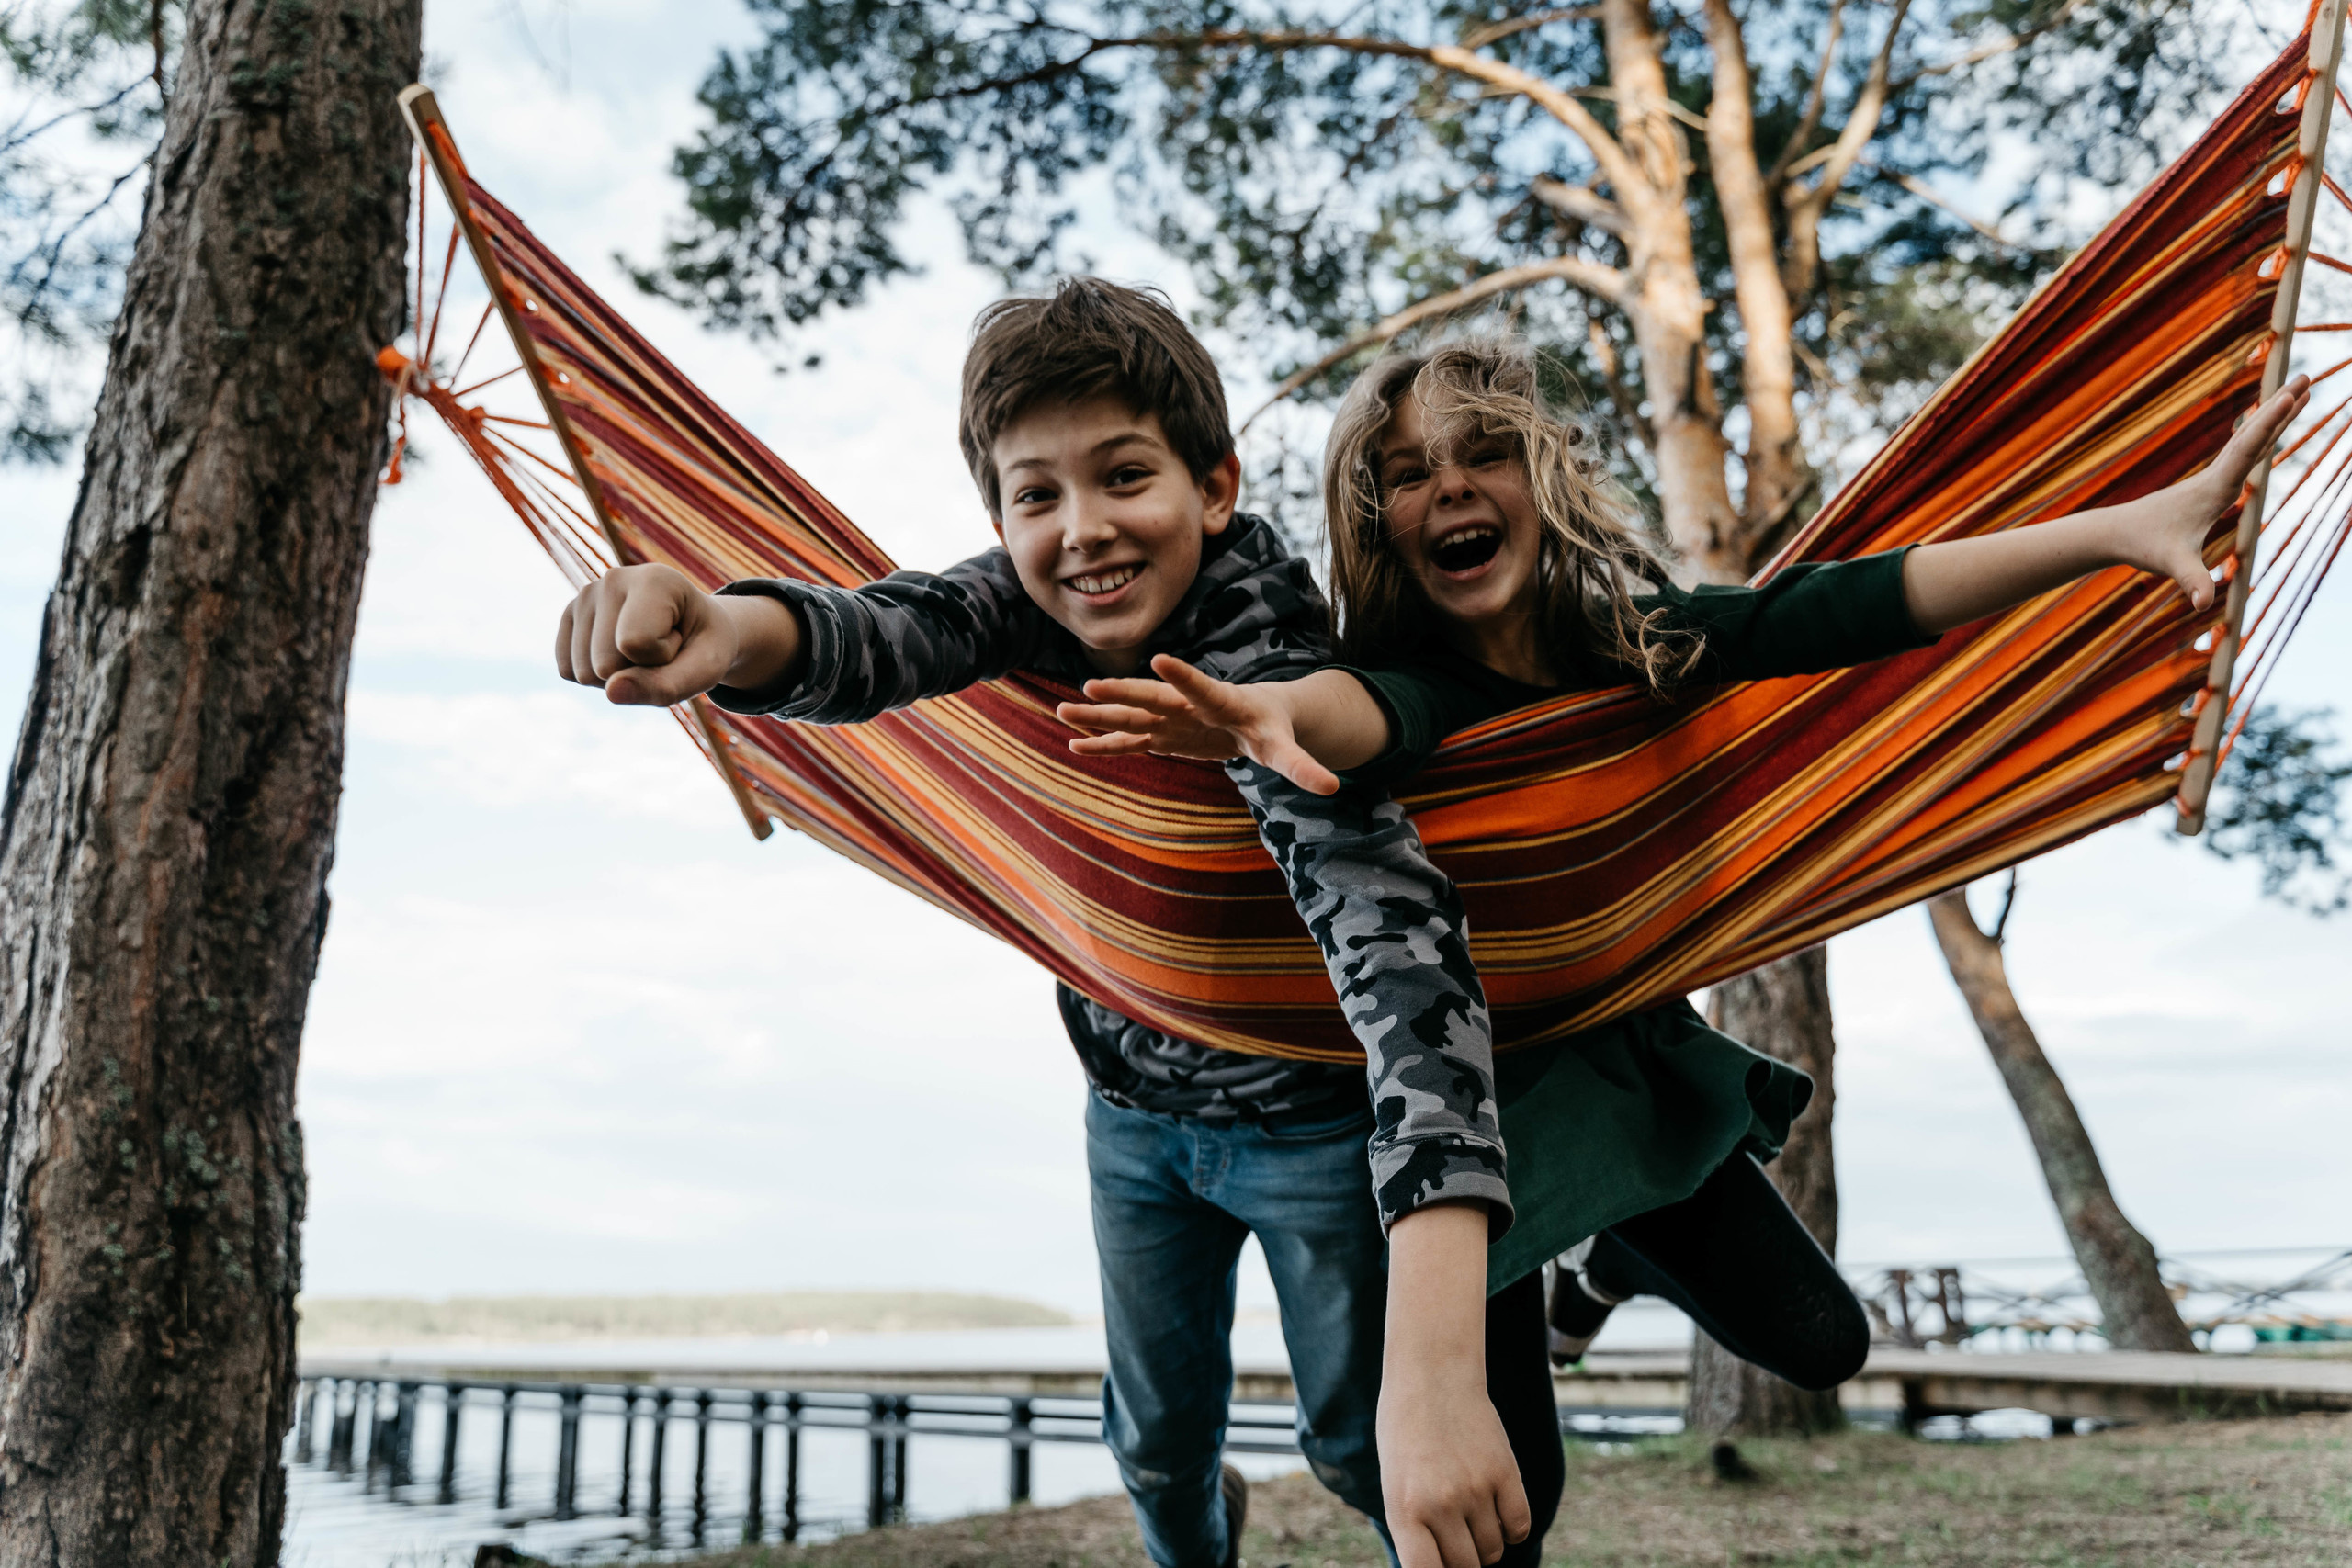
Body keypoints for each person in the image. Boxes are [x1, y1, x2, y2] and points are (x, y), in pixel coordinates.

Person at [1054, 337, 2311, 1450]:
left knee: (1824, 1342)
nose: (1447, 487)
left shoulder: (1640, 643)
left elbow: (1861, 603)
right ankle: (1572, 1277)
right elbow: (1361, 718)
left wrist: (2115, 531)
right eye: (1406, 473)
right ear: (1376, 521)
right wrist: (1270, 712)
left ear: (1539, 480)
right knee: (1514, 1507)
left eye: (1482, 452)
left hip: (1608, 1062)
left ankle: (1601, 1268)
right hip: (1460, 1123)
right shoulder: (1407, 683)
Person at [553, 285, 1554, 1568]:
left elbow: (1404, 958)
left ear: (1216, 485)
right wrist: (728, 627)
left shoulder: (1266, 660)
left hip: (1310, 1124)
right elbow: (890, 629)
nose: (1083, 531)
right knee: (1152, 1441)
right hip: (1133, 1116)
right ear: (1003, 517)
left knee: (1363, 1443)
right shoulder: (1032, 602)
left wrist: (1438, 1372)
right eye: (1038, 496)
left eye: (1123, 476)